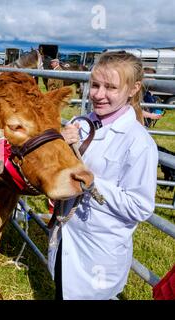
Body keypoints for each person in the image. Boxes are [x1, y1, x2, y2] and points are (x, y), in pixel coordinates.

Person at [49, 51, 158, 300]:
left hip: (99, 251)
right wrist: (60, 146)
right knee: (61, 290)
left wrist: (92, 182)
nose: (98, 94)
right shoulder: (82, 123)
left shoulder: (138, 143)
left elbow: (140, 207)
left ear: (133, 88)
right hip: (67, 236)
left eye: (110, 87)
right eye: (95, 85)